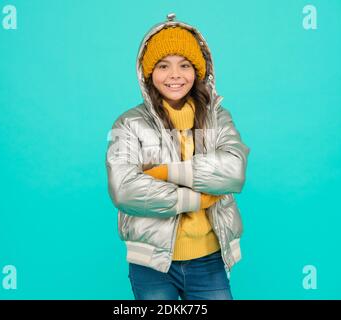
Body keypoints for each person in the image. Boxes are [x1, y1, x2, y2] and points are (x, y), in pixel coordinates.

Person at [105, 13, 250, 300]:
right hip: (151, 263)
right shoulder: (128, 124)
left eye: (184, 65)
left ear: (198, 70)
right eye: (163, 66)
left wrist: (164, 171)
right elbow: (123, 189)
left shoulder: (218, 118)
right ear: (148, 73)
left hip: (210, 258)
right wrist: (194, 199)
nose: (174, 75)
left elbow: (234, 171)